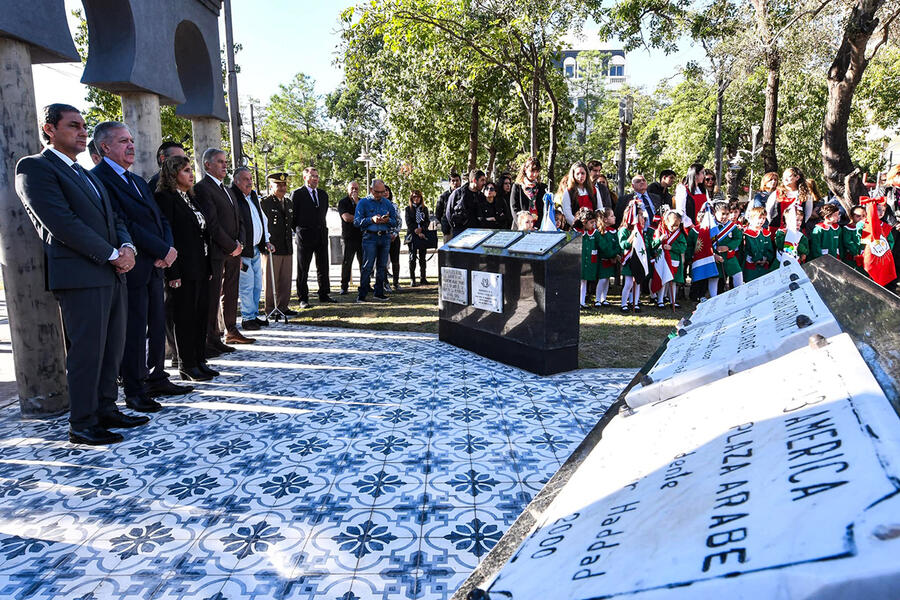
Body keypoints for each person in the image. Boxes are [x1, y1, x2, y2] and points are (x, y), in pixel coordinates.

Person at [15, 104, 145, 445]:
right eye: (74, 125)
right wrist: (112, 254)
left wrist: (127, 247)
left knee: (111, 349)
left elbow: (114, 219)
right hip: (81, 276)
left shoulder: (87, 172)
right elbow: (60, 222)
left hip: (112, 273)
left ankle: (106, 409)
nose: (82, 131)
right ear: (49, 129)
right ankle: (83, 423)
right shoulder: (35, 168)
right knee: (87, 352)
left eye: (84, 126)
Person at [91, 121, 186, 411]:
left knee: (157, 324)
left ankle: (157, 376)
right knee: (133, 330)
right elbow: (125, 223)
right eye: (123, 141)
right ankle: (135, 388)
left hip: (155, 264)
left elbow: (160, 219)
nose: (131, 145)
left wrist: (168, 249)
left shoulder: (135, 180)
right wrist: (160, 249)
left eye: (132, 139)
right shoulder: (99, 178)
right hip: (133, 266)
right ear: (105, 147)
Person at [154, 155, 218, 383]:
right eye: (186, 171)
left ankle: (200, 360)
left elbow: (203, 235)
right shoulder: (165, 198)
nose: (192, 175)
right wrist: (173, 272)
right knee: (184, 317)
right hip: (181, 269)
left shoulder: (191, 197)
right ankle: (187, 365)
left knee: (201, 314)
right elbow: (168, 236)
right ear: (173, 174)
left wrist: (208, 266)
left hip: (200, 266)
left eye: (191, 170)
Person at [193, 148, 248, 352]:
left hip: (234, 251)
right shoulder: (203, 188)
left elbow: (239, 219)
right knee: (213, 294)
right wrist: (231, 246)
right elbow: (212, 224)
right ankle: (211, 337)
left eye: (225, 162)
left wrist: (239, 244)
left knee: (231, 292)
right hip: (216, 252)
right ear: (207, 165)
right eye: (220, 162)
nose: (225, 165)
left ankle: (231, 330)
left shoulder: (227, 189)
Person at [231, 167, 275, 331]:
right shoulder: (234, 196)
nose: (249, 182)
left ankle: (254, 315)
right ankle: (247, 318)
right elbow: (233, 225)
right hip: (243, 250)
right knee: (247, 285)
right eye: (245, 179)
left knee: (257, 284)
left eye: (250, 178)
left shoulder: (253, 196)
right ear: (236, 181)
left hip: (256, 248)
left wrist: (267, 240)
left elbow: (262, 219)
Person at [291, 166, 335, 308]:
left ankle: (324, 293)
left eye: (317, 176)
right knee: (303, 268)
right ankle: (303, 297)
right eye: (312, 176)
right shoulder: (297, 194)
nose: (315, 179)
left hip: (321, 235)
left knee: (323, 267)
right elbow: (293, 218)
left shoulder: (323, 194)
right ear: (305, 177)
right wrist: (300, 231)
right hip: (305, 236)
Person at [259, 173, 297, 317]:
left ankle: (283, 307)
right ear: (271, 186)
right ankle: (270, 308)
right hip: (272, 247)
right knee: (271, 280)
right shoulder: (265, 203)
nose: (282, 187)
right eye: (278, 185)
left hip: (287, 246)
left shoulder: (288, 203)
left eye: (284, 185)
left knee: (285, 279)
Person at [354, 179, 398, 301]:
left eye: (382, 192)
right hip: (370, 237)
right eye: (377, 192)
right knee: (368, 266)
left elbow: (395, 221)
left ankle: (379, 293)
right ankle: (362, 294)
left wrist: (387, 220)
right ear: (371, 189)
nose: (380, 195)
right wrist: (371, 220)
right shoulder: (363, 203)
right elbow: (357, 222)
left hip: (385, 236)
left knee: (382, 266)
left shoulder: (387, 203)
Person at [618, 202, 653, 312]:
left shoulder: (642, 231)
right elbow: (624, 245)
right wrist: (632, 235)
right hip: (629, 261)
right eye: (640, 215)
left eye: (643, 215)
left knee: (638, 282)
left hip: (638, 259)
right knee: (628, 284)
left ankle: (635, 302)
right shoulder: (624, 230)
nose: (643, 217)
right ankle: (624, 304)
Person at [650, 209, 687, 308]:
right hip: (663, 261)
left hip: (675, 261)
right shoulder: (660, 232)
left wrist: (672, 248)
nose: (675, 227)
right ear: (666, 222)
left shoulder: (679, 235)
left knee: (673, 281)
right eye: (673, 225)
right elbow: (652, 244)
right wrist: (660, 240)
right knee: (664, 280)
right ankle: (660, 300)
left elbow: (683, 247)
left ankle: (672, 301)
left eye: (677, 225)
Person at [337, 181, 363, 295]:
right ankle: (344, 286)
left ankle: (365, 284)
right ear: (348, 189)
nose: (354, 190)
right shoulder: (343, 202)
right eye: (352, 188)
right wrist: (360, 218)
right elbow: (346, 218)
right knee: (347, 262)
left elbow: (367, 216)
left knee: (364, 262)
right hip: (348, 237)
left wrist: (357, 203)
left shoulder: (362, 202)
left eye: (356, 188)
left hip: (362, 237)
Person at [445, 169, 486, 238]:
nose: (484, 183)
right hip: (460, 233)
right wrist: (456, 228)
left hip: (477, 234)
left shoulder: (481, 196)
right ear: (474, 181)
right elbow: (449, 213)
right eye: (482, 180)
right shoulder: (458, 193)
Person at [712, 201, 743, 289]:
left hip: (729, 256)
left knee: (738, 273)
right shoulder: (711, 226)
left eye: (727, 214)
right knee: (715, 278)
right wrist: (714, 254)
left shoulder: (732, 226)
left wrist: (728, 246)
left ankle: (739, 293)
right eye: (722, 214)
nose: (725, 216)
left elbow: (738, 238)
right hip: (715, 257)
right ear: (715, 213)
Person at [510, 157, 547, 229]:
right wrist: (521, 224)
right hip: (520, 226)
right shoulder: (517, 186)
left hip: (538, 226)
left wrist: (536, 226)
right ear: (525, 169)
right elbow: (514, 208)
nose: (534, 174)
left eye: (537, 171)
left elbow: (543, 209)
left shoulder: (543, 187)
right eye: (532, 171)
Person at [594, 208, 620, 307]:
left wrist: (616, 254)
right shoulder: (599, 232)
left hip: (611, 260)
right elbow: (604, 247)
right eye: (612, 216)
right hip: (603, 260)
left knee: (607, 279)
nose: (615, 217)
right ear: (605, 219)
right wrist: (613, 255)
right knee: (602, 279)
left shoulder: (614, 231)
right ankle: (597, 299)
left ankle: (603, 298)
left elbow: (617, 245)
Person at [742, 207, 775, 282]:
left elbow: (769, 248)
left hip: (764, 265)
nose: (761, 221)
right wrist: (757, 259)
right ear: (751, 218)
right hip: (751, 265)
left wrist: (766, 259)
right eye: (759, 218)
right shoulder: (747, 233)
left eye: (763, 218)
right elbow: (750, 248)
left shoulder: (766, 233)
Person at [559, 162, 597, 227]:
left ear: (586, 174)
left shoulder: (594, 190)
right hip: (576, 229)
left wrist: (594, 225)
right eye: (577, 174)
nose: (580, 176)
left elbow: (599, 209)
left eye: (582, 173)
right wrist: (578, 225)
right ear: (573, 175)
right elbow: (567, 212)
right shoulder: (568, 191)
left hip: (593, 228)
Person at [405, 190, 430, 286]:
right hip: (412, 235)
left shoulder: (424, 209)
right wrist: (415, 230)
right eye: (414, 197)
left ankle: (423, 277)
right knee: (412, 257)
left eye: (418, 197)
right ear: (411, 198)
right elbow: (408, 222)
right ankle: (412, 278)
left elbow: (427, 221)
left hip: (422, 234)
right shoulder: (408, 209)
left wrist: (422, 229)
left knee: (423, 257)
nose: (416, 199)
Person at [577, 207, 600, 308]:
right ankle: (577, 302)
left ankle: (582, 302)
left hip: (587, 263)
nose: (593, 225)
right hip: (578, 263)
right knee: (578, 282)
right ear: (584, 222)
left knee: (584, 282)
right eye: (591, 222)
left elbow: (602, 245)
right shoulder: (576, 233)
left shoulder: (594, 233)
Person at [673, 163, 707, 228]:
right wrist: (692, 226)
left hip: (703, 227)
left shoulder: (702, 190)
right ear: (696, 174)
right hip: (689, 228)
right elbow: (680, 211)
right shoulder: (682, 189)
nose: (704, 176)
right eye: (702, 173)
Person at [434, 172, 460, 244]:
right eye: (453, 181)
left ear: (460, 182)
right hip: (448, 229)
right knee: (448, 252)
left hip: (461, 228)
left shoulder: (464, 195)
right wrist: (444, 223)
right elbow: (438, 213)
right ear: (449, 183)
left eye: (457, 180)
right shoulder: (444, 196)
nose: (455, 183)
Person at [385, 185, 402, 292]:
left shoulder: (394, 206)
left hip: (394, 237)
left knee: (395, 261)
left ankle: (396, 282)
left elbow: (399, 221)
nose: (386, 193)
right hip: (383, 236)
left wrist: (395, 234)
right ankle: (385, 283)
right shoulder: (379, 205)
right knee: (383, 262)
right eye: (384, 191)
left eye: (387, 191)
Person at [841, 206, 866, 274]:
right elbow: (848, 242)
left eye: (863, 216)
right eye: (858, 216)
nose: (861, 218)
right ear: (852, 217)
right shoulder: (847, 228)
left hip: (865, 256)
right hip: (853, 257)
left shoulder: (867, 227)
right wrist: (856, 252)